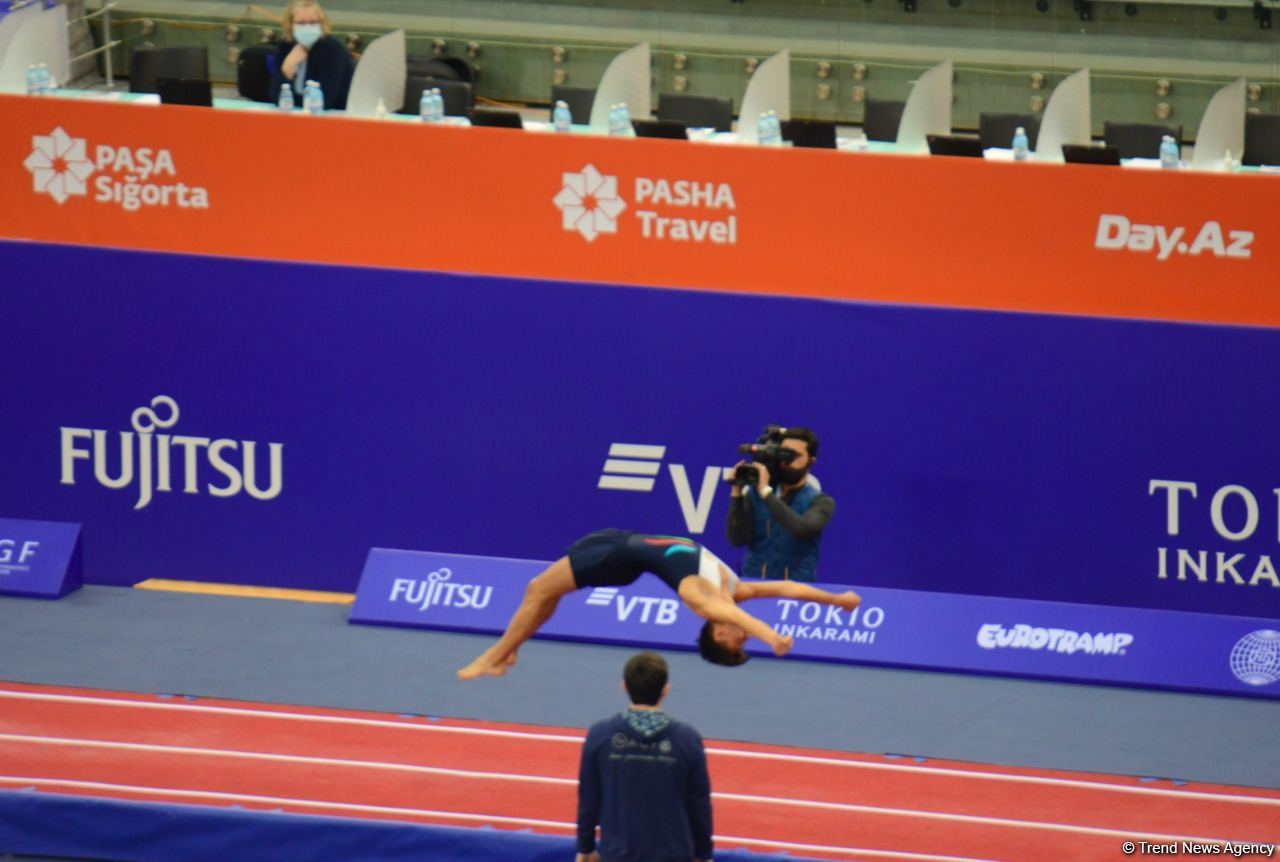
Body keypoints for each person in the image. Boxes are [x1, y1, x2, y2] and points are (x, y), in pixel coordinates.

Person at [456, 528, 859, 679]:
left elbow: (733, 615)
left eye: (739, 643)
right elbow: (788, 590)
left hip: (620, 558)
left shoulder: (701, 600)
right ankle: (509, 651)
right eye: (746, 640)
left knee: (537, 589)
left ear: (718, 633)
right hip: (617, 539)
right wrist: (836, 599)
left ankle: (498, 652)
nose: (743, 635)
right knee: (544, 592)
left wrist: (771, 638)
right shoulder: (734, 591)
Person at [576, 652, 712, 862]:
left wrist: (585, 848)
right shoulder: (688, 739)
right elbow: (699, 804)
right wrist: (703, 854)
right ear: (665, 690)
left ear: (624, 687)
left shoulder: (600, 735)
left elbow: (589, 799)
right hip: (674, 855)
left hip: (618, 854)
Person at [727, 426, 834, 582]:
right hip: (755, 587)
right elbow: (736, 539)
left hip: (795, 593)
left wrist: (766, 492)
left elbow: (801, 529)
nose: (787, 461)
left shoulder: (821, 502)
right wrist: (736, 493)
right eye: (783, 454)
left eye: (794, 456)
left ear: (811, 461)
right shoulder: (755, 495)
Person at [269, 0, 354, 111]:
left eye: (313, 22)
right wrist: (286, 70)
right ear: (290, 25)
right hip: (296, 115)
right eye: (301, 23)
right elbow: (275, 97)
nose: (307, 27)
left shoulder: (332, 49)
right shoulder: (285, 46)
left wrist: (293, 103)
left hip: (334, 116)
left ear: (322, 24)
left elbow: (326, 101)